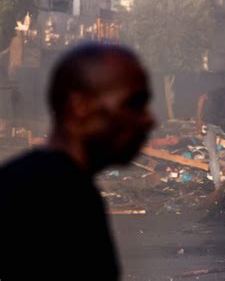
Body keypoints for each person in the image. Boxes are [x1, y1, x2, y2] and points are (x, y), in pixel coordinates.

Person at [0, 43, 155, 280]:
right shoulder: (52, 195)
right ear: (80, 106)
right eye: (133, 103)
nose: (148, 120)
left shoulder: (58, 184)